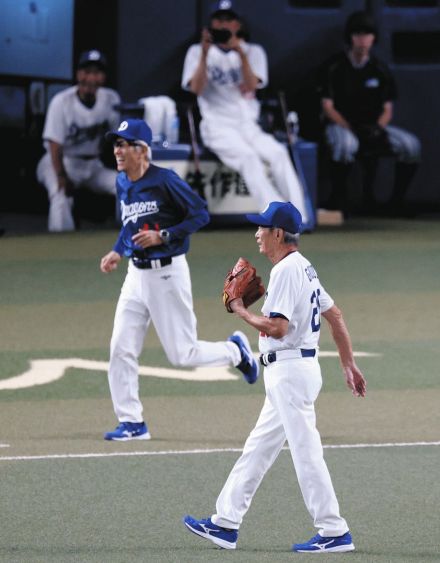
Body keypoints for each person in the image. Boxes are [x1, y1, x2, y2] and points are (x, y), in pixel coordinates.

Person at [183, 201, 367, 553]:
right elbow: (337, 316)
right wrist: (347, 364)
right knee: (258, 448)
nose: (257, 234)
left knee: (306, 452)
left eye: (262, 228)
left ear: (278, 233)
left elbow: (278, 328)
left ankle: (334, 529)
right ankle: (225, 523)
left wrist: (240, 311)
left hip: (290, 371)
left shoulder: (286, 270)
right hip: (293, 371)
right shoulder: (305, 268)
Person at [100, 118, 259, 441]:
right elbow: (130, 225)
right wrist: (118, 251)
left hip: (167, 275)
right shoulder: (122, 182)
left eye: (124, 144)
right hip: (136, 276)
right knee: (120, 348)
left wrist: (165, 235)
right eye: (116, 143)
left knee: (182, 354)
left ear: (142, 150)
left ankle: (236, 352)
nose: (117, 150)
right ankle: (132, 422)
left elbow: (200, 213)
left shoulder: (165, 180)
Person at [181, 0, 310, 223]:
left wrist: (240, 53)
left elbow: (252, 85)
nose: (223, 25)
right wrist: (204, 54)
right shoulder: (196, 52)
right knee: (249, 159)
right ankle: (276, 217)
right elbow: (196, 89)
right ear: (211, 24)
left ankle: (300, 217)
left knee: (278, 153)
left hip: (249, 125)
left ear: (238, 24)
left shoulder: (253, 51)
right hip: (217, 126)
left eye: (229, 20)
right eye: (219, 20)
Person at [319, 11, 421, 216]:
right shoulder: (334, 67)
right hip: (342, 125)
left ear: (374, 38)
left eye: (367, 34)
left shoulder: (379, 70)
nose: (362, 40)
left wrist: (376, 129)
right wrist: (350, 128)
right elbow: (327, 107)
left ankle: (396, 201)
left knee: (411, 145)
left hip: (372, 126)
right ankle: (339, 199)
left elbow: (387, 109)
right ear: (350, 37)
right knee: (346, 145)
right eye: (358, 34)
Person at [37, 50, 121, 231]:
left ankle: (127, 236)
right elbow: (54, 144)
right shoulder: (62, 102)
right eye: (86, 71)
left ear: (103, 77)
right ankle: (60, 244)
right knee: (60, 194)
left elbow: (116, 138)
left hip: (92, 164)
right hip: (60, 161)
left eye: (96, 72)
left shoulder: (111, 99)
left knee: (125, 185)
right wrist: (61, 176)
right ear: (78, 74)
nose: (91, 77)